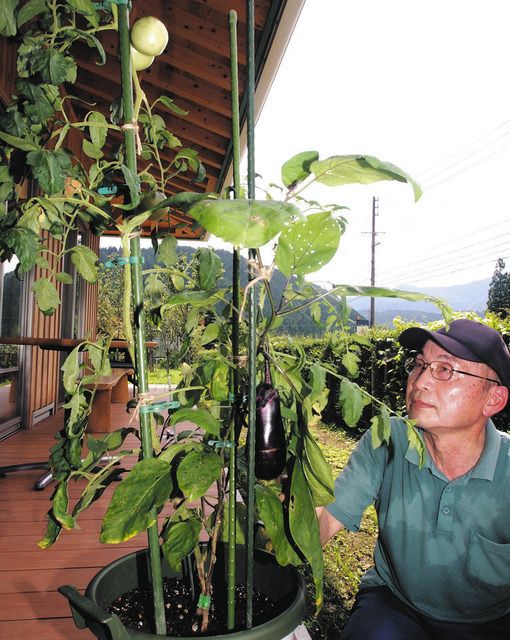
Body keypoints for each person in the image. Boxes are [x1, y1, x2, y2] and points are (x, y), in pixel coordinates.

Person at [316, 319, 510, 639]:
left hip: (490, 621)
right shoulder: (387, 438)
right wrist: (283, 523)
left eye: (445, 370)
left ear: (494, 399)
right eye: (419, 364)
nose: (419, 382)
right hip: (395, 602)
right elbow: (328, 517)